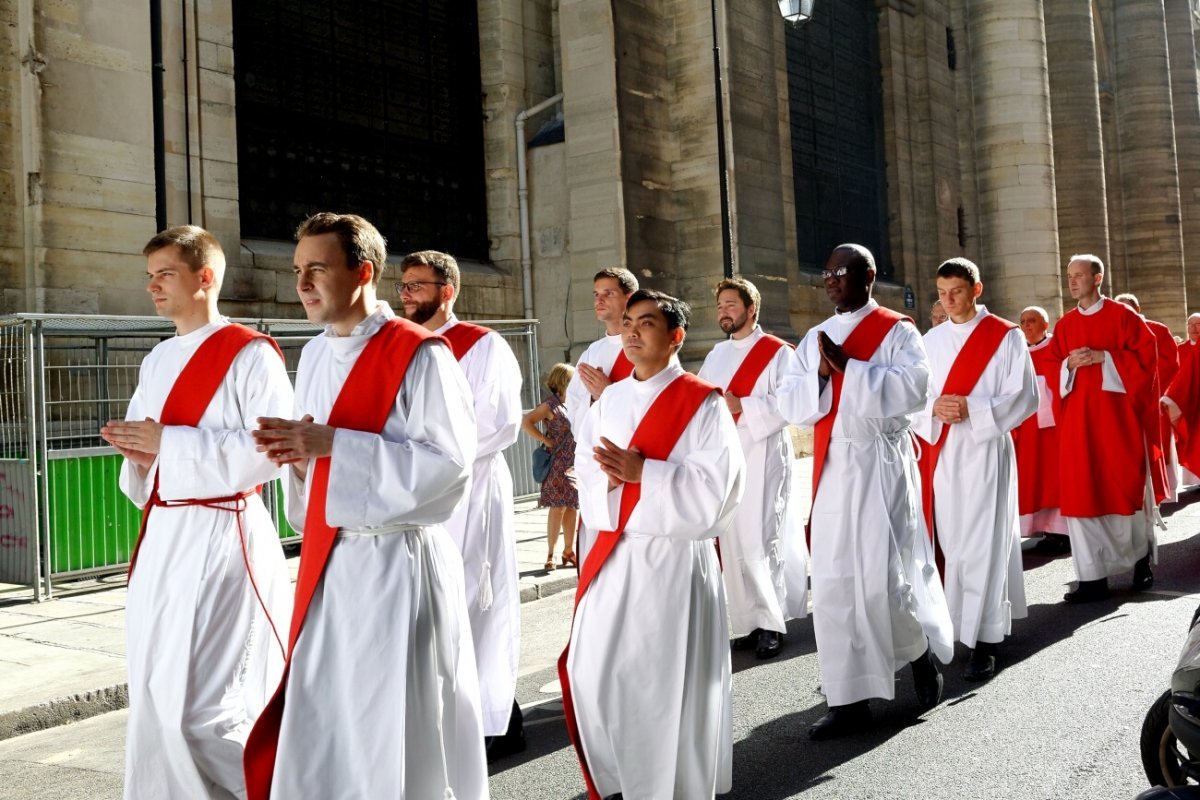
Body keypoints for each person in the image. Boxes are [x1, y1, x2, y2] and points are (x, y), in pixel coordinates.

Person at [244, 213, 487, 799]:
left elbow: (451, 467)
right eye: (298, 270)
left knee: (394, 723)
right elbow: (315, 474)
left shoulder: (421, 354)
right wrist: (298, 458)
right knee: (328, 717)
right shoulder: (316, 356)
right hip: (331, 567)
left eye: (317, 269)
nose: (302, 283)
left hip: (396, 565)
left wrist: (333, 445)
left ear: (364, 272)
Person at [101, 225, 294, 799]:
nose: (152, 287)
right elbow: (152, 451)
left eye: (165, 274)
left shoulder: (251, 354)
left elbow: (270, 450)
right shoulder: (158, 359)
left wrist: (170, 445)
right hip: (165, 534)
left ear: (205, 277)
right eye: (150, 276)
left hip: (223, 533)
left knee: (204, 710)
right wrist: (138, 456)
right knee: (156, 697)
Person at [560, 289, 744, 800]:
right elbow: (587, 469)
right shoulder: (611, 398)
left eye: (646, 323)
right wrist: (609, 483)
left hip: (672, 559)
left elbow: (718, 492)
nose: (632, 331)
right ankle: (623, 777)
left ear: (676, 336)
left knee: (660, 683)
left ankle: (670, 787)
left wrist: (647, 473)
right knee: (593, 673)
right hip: (616, 556)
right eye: (627, 323)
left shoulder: (702, 402)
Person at [779, 244, 953, 740]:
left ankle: (917, 651)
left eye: (841, 272)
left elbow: (916, 390)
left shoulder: (897, 329)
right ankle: (847, 698)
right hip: (834, 465)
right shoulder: (814, 337)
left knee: (881, 577)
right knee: (833, 583)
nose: (831, 279)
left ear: (868, 276)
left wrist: (850, 371)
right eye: (827, 272)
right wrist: (817, 371)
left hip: (881, 462)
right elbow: (792, 404)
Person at [398, 249, 526, 760]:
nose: (406, 296)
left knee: (478, 596)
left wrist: (433, 458)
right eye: (403, 286)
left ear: (446, 291)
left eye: (417, 286)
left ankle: (496, 717)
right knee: (431, 605)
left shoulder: (482, 345)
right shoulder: (402, 346)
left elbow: (498, 421)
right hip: (417, 493)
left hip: (470, 489)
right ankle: (442, 714)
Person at [913, 257, 1037, 681]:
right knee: (954, 539)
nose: (948, 302)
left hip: (986, 449)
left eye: (957, 293)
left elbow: (1024, 396)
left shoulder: (1005, 337)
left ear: (976, 290)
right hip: (946, 451)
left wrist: (974, 408)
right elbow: (914, 398)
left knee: (984, 540)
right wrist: (933, 408)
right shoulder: (930, 341)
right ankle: (957, 626)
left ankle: (984, 640)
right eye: (942, 294)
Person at [697, 277, 807, 660]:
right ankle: (746, 622)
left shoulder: (778, 354)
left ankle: (771, 623)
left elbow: (793, 405)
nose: (723, 311)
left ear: (751, 309)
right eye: (720, 306)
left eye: (731, 304)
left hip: (763, 452)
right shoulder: (714, 356)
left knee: (760, 538)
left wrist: (744, 406)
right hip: (727, 457)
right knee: (732, 540)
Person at [1049, 255, 1160, 603]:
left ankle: (1140, 561)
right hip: (1078, 424)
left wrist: (1105, 358)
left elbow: (1147, 361)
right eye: (1069, 276)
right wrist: (1068, 363)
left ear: (1098, 278)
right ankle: (1091, 577)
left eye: (1079, 275)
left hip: (1117, 422)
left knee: (1123, 488)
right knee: (1082, 492)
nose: (1072, 282)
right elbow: (1051, 365)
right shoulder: (1065, 325)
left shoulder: (1124, 317)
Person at [564, 266, 639, 565]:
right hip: (597, 468)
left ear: (629, 297)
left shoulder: (645, 345)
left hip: (633, 463)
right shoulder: (591, 353)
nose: (599, 300)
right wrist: (598, 399)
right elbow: (575, 410)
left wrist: (608, 392)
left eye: (608, 293)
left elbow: (655, 404)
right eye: (596, 294)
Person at [1012, 306, 1068, 551]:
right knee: (1034, 478)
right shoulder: (1018, 352)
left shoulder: (1057, 348)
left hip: (1053, 427)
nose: (1026, 325)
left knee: (1055, 477)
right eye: (1023, 321)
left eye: (1031, 321)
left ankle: (1062, 532)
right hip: (1028, 428)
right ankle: (1045, 530)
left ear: (1045, 324)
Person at [1115, 293, 1179, 503]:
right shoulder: (1115, 332)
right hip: (1122, 398)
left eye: (1129, 308)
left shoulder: (1158, 329)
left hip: (1153, 394)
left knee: (1155, 442)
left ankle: (1163, 491)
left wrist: (1152, 387)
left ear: (1138, 309)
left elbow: (1170, 363)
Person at [521, 363, 579, 571]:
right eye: (573, 379)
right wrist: (545, 440)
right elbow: (526, 422)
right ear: (564, 381)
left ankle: (569, 550)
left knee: (572, 506)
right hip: (557, 463)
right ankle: (551, 554)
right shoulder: (550, 405)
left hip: (574, 462)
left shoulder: (574, 402)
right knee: (558, 508)